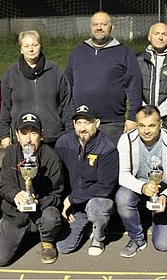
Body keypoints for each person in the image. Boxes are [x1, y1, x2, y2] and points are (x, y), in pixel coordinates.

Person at [0, 112, 64, 266]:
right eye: (24, 133)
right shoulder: (10, 153)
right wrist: (15, 195)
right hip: (15, 214)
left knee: (51, 217)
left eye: (33, 132)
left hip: (41, 213)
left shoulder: (52, 158)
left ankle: (48, 241)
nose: (28, 139)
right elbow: (3, 186)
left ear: (41, 134)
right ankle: (18, 233)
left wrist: (39, 201)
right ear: (17, 135)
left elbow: (56, 195)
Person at [115, 105, 167, 257]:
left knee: (163, 245)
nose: (146, 130)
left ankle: (161, 216)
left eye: (151, 125)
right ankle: (137, 238)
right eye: (142, 126)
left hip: (165, 194)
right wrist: (142, 187)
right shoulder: (126, 140)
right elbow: (122, 175)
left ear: (160, 124)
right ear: (136, 125)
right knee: (122, 197)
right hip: (138, 189)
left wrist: (166, 196)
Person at [64, 11, 143, 146]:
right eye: (95, 24)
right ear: (91, 27)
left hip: (112, 124)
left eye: (103, 24)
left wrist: (132, 117)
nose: (99, 27)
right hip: (82, 123)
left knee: (110, 164)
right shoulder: (77, 53)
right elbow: (66, 88)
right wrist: (70, 118)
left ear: (111, 27)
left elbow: (134, 87)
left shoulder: (124, 53)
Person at [55, 104, 118, 256]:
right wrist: (63, 202)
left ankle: (99, 235)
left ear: (96, 123)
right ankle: (86, 225)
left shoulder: (107, 148)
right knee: (63, 247)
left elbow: (105, 187)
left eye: (87, 122)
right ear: (73, 124)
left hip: (99, 200)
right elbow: (58, 177)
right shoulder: (63, 143)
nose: (83, 128)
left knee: (96, 207)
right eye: (79, 123)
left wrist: (72, 198)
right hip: (75, 205)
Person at [0, 30, 75, 149]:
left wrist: (70, 133)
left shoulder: (55, 70)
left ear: (41, 46)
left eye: (35, 45)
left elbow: (67, 104)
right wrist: (4, 135)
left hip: (54, 138)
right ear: (21, 49)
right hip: (24, 139)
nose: (31, 49)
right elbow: (5, 107)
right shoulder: (11, 74)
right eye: (26, 46)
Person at [136, 22, 167, 134]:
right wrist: (146, 111)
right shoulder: (138, 60)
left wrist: (159, 113)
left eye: (164, 34)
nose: (160, 37)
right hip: (144, 117)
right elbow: (135, 88)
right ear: (149, 37)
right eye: (156, 34)